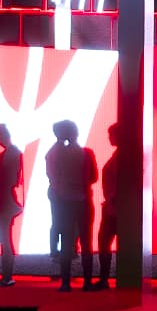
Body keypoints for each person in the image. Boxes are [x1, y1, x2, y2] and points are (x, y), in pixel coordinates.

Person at [47, 119, 96, 289]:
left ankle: (65, 282)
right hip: (83, 200)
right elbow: (93, 177)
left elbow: (54, 177)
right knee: (86, 241)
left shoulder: (57, 153)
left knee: (66, 242)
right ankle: (87, 282)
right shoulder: (86, 153)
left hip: (64, 202)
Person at [94, 122, 134, 289]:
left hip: (115, 208)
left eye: (111, 135)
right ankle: (118, 278)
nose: (109, 138)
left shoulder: (123, 156)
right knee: (108, 242)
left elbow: (123, 182)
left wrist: (112, 198)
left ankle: (107, 279)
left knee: (105, 241)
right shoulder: (122, 155)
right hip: (115, 207)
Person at [0, 123, 24, 287]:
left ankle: (7, 276)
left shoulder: (10, 153)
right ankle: (7, 275)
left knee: (5, 239)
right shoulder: (13, 153)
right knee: (5, 238)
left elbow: (10, 179)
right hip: (7, 198)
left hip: (4, 199)